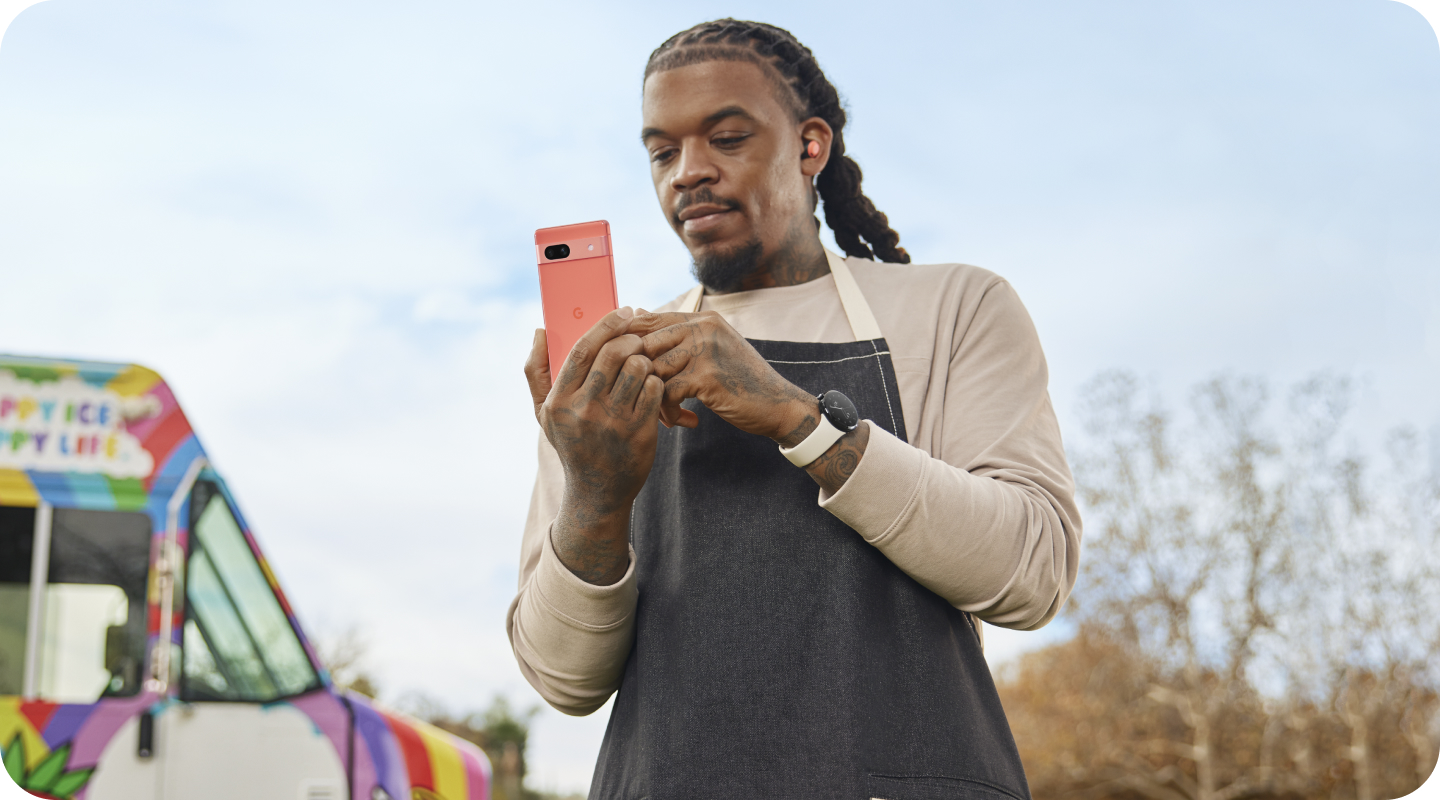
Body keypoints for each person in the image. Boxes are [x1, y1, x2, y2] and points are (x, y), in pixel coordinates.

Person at [509, 18, 1081, 799]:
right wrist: (597, 495)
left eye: (728, 138)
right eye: (662, 151)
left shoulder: (956, 307)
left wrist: (797, 418)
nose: (688, 173)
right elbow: (560, 678)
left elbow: (1033, 572)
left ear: (810, 146)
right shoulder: (612, 377)